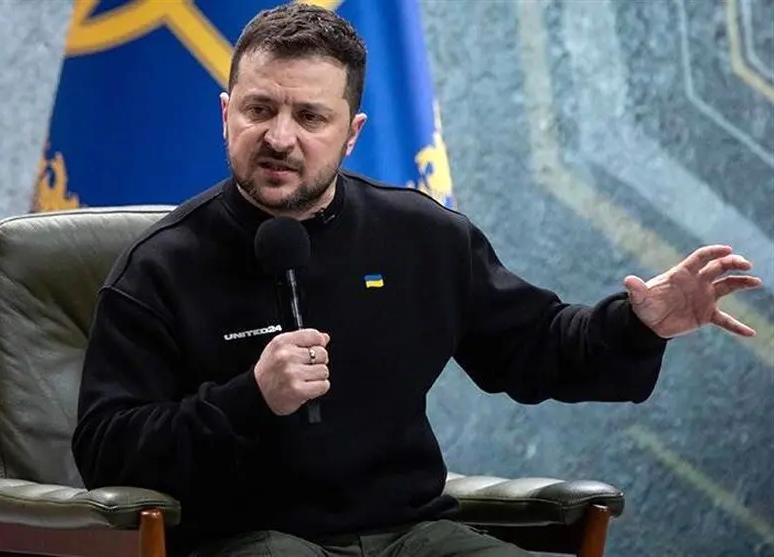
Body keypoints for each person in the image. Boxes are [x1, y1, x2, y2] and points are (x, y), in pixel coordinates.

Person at [70, 4, 762, 557]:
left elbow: (539, 346)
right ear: (226, 114)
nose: (280, 137)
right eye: (260, 110)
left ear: (352, 134)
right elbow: (106, 451)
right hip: (247, 538)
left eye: (310, 117)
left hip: (409, 532)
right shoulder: (159, 266)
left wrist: (638, 324)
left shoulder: (421, 236)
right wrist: (249, 398)